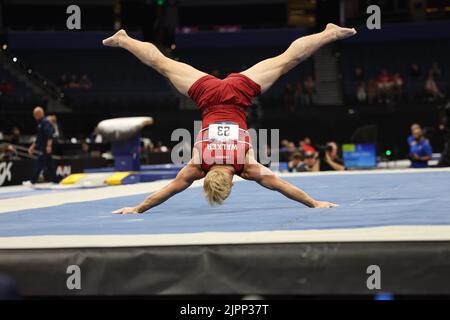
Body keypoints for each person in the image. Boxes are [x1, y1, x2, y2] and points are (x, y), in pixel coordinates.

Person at [104, 23, 357, 214]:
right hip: (207, 94)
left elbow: (282, 186)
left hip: (238, 94)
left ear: (232, 184)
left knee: (287, 61)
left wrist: (314, 203)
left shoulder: (245, 167)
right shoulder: (197, 166)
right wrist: (138, 208)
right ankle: (125, 40)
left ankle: (328, 34)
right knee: (162, 63)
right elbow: (166, 191)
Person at [27, 106, 58, 184]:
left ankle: (32, 181)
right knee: (50, 164)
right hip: (42, 147)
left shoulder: (45, 122)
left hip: (44, 147)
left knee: (39, 163)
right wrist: (32, 147)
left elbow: (49, 135)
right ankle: (55, 180)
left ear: (39, 113)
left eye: (35, 114)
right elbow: (39, 138)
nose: (34, 116)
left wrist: (49, 146)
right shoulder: (40, 123)